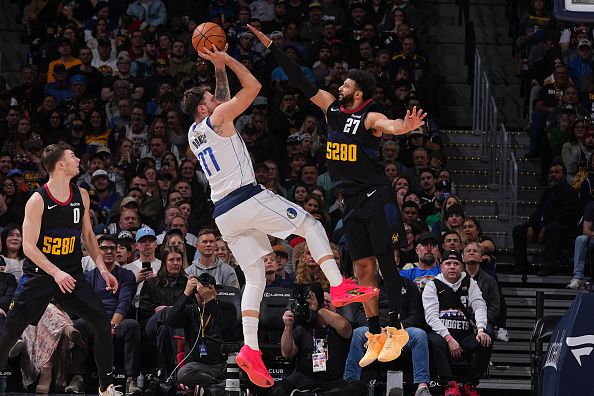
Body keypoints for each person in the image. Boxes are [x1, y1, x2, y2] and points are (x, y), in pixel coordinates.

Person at [184, 44, 378, 387]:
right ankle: (339, 284)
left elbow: (224, 96)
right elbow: (254, 87)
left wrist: (217, 68)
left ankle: (249, 349)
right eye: (210, 99)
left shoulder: (194, 132)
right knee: (311, 223)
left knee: (255, 277)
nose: (216, 99)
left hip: (224, 214)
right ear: (204, 108)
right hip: (246, 198)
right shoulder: (216, 119)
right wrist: (228, 59)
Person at [248, 23, 426, 365]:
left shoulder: (369, 115)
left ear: (357, 94)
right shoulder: (330, 107)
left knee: (385, 261)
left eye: (346, 84)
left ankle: (395, 326)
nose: (339, 86)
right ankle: (374, 331)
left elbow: (390, 125)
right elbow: (303, 84)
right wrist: (272, 47)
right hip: (351, 201)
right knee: (361, 268)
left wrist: (404, 127)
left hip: (378, 197)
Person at [0, 143, 121, 396]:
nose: (78, 159)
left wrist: (102, 269)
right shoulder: (37, 200)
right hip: (40, 275)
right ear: (60, 165)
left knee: (101, 321)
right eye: (72, 156)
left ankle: (105, 387)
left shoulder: (82, 195)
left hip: (72, 273)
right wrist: (55, 272)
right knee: (11, 330)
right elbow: (29, 247)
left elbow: (88, 235)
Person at [66, 235, 141, 395]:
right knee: (79, 324)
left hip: (117, 323)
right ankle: (77, 378)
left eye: (113, 248)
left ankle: (131, 380)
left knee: (132, 326)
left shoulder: (126, 275)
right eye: (104, 248)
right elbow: (87, 305)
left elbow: (124, 303)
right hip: (95, 322)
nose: (109, 251)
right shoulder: (89, 276)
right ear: (97, 252)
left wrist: (112, 325)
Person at [422, 250, 492, 396]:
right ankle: (449, 383)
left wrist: (480, 329)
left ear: (462, 266)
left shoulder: (470, 283)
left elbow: (479, 305)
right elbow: (431, 317)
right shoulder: (432, 285)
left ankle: (470, 383)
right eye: (448, 263)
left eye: (456, 263)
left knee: (486, 339)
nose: (452, 267)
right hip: (442, 334)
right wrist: (449, 339)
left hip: (465, 333)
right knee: (433, 342)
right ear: (441, 267)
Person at [166, 273, 237, 392]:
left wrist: (210, 300)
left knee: (244, 374)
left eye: (208, 289)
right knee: (183, 373)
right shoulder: (191, 310)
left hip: (222, 365)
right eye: (200, 291)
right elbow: (171, 320)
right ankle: (218, 387)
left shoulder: (227, 307)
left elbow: (226, 327)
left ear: (216, 291)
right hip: (197, 367)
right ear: (195, 294)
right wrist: (186, 293)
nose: (203, 294)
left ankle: (209, 388)